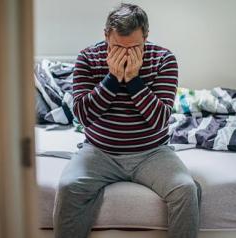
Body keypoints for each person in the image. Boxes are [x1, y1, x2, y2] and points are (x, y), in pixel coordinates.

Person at [53, 3, 201, 238]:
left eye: (134, 47)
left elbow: (160, 120)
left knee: (186, 189)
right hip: (99, 151)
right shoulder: (88, 57)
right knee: (69, 187)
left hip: (151, 152)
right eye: (117, 47)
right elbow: (82, 115)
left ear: (146, 36)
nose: (125, 54)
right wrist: (112, 78)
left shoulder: (164, 59)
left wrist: (133, 80)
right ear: (105, 36)